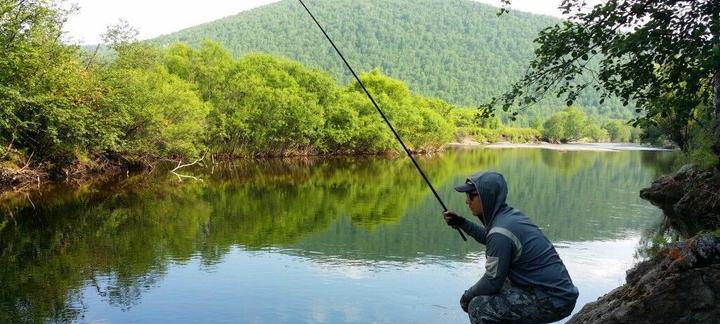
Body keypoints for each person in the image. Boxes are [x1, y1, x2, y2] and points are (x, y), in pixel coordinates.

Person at [443, 171, 578, 323]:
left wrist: (466, 297)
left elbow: (491, 281)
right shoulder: (509, 217)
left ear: (487, 196)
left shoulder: (500, 231)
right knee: (500, 283)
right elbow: (491, 238)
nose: (467, 201)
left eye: (471, 196)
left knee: (478, 306)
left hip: (554, 301)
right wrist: (461, 223)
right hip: (559, 293)